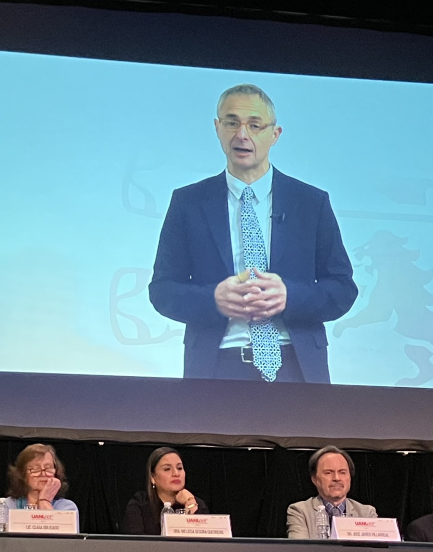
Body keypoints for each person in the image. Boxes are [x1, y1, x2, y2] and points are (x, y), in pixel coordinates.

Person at [149, 84, 357, 383]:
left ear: (275, 134)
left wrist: (290, 296)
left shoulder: (311, 202)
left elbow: (342, 290)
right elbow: (162, 291)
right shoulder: (188, 203)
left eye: (255, 125)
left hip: (296, 369)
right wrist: (214, 299)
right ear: (217, 128)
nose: (242, 135)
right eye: (232, 122)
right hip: (215, 369)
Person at [287, 446, 377, 539]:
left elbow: (373, 551)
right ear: (314, 479)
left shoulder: (367, 514)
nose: (337, 478)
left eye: (342, 472)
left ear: (350, 477)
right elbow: (299, 550)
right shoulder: (300, 511)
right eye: (328, 472)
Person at [0, 444, 79, 530]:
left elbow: (63, 543)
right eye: (35, 469)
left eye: (48, 468)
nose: (43, 474)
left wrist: (44, 501)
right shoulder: (6, 505)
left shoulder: (67, 508)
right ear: (22, 475)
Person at [121, 447, 208, 535]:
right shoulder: (140, 503)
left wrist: (190, 506)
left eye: (179, 468)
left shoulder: (198, 504)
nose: (176, 474)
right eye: (167, 469)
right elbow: (134, 544)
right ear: (152, 477)